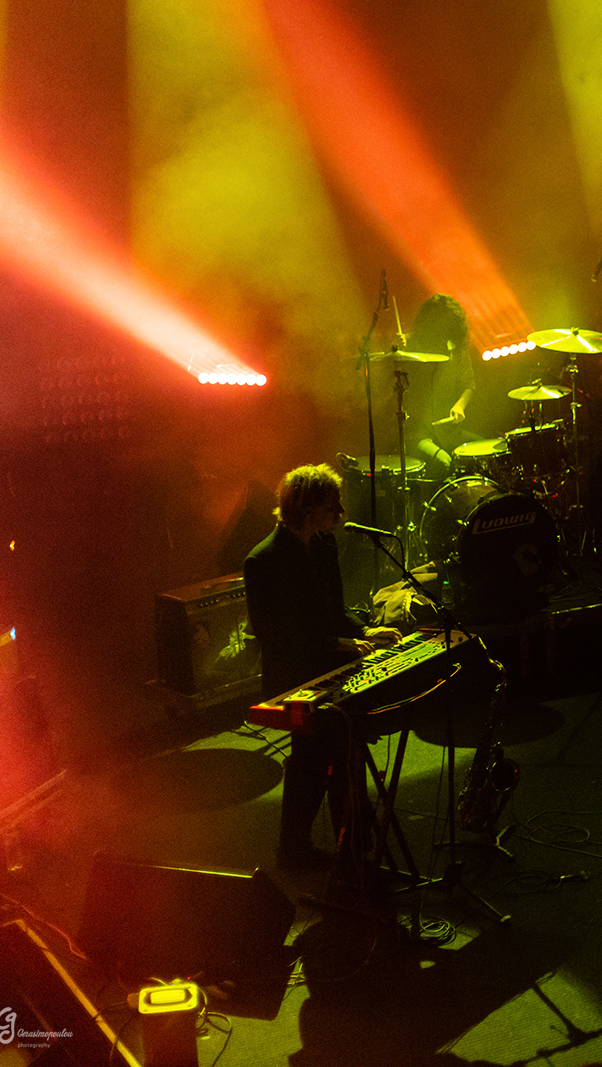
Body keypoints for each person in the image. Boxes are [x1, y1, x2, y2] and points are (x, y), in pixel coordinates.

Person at [245, 463, 399, 867]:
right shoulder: (263, 560)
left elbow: (335, 611)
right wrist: (343, 644)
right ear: (308, 508)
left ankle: (348, 849)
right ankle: (298, 849)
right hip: (295, 677)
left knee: (340, 754)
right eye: (333, 505)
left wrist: (367, 631)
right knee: (314, 760)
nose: (341, 513)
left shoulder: (324, 544)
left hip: (330, 664)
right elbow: (277, 636)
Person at [404, 294, 476, 479]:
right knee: (444, 462)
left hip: (450, 432)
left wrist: (460, 405)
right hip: (419, 434)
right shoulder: (411, 346)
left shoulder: (457, 352)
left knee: (488, 450)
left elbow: (468, 384)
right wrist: (399, 348)